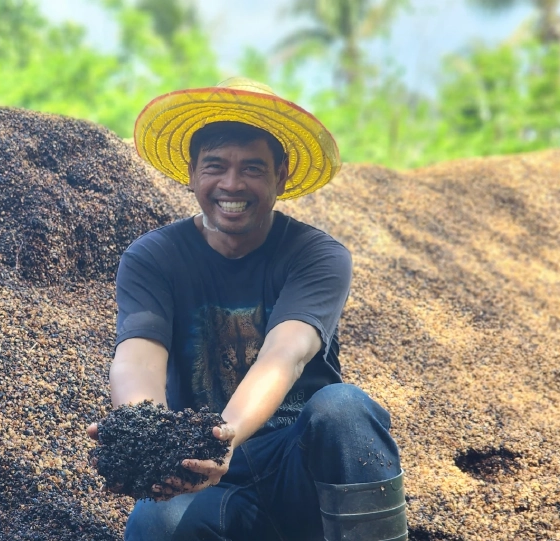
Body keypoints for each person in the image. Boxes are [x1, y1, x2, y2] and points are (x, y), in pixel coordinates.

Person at [87, 77, 407, 541]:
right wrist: (144, 433)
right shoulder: (153, 257)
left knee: (345, 408)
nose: (231, 184)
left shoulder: (315, 255)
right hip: (205, 470)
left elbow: (286, 352)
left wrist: (227, 435)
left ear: (280, 175)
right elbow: (137, 356)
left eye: (253, 169)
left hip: (299, 465)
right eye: (215, 166)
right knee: (156, 522)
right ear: (193, 173)